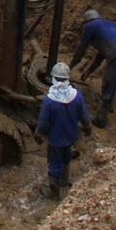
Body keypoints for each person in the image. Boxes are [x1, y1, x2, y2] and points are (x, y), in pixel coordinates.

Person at [71, 9, 116, 127]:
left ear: (86, 21)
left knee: (108, 83)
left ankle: (100, 119)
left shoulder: (90, 25)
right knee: (112, 80)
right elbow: (101, 54)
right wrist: (89, 71)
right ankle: (108, 107)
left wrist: (71, 66)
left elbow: (82, 47)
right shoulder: (110, 25)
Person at [35, 62, 92, 199]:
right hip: (71, 135)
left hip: (55, 139)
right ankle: (65, 182)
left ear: (54, 78)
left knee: (54, 163)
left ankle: (54, 192)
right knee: (66, 157)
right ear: (68, 78)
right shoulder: (77, 96)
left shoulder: (49, 100)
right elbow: (84, 115)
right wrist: (87, 128)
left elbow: (43, 122)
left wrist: (38, 133)